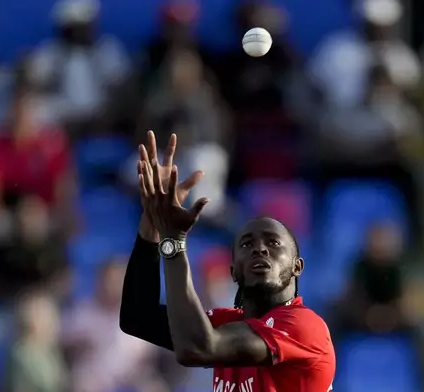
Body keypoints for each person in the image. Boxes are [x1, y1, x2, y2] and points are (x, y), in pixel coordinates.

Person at [120, 131, 335, 391]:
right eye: (246, 244)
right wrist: (152, 222)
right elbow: (137, 317)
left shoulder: (303, 326)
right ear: (234, 272)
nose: (259, 250)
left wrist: (173, 239)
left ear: (297, 267)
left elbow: (198, 348)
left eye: (273, 243)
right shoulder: (227, 324)